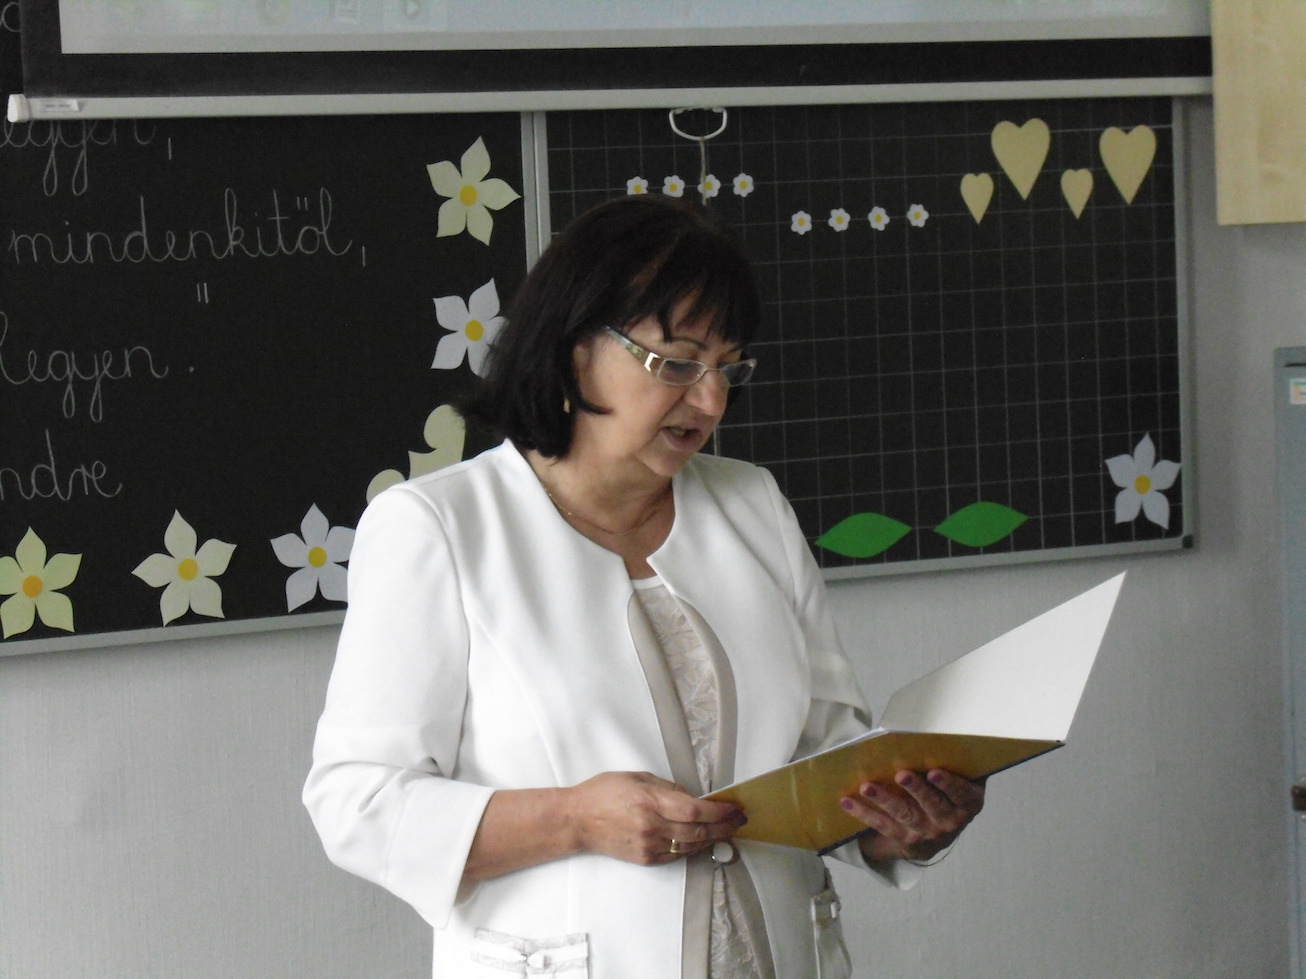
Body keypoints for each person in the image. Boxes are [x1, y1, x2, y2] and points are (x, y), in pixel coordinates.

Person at [303, 194, 985, 978]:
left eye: (728, 367)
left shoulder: (753, 504)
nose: (711, 400)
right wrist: (573, 819)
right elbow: (356, 803)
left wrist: (900, 825)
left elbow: (821, 755)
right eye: (678, 363)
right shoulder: (438, 526)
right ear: (574, 349)